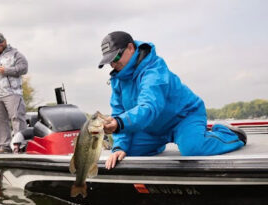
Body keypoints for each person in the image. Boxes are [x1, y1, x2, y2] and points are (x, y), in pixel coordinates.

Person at [98, 31, 247, 169]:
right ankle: (158, 144)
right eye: (109, 61)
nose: (113, 64)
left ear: (130, 48)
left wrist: (119, 123)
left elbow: (150, 106)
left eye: (116, 57)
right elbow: (119, 113)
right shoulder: (118, 79)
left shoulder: (154, 68)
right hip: (153, 128)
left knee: (193, 149)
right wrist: (119, 147)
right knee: (126, 152)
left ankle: (227, 133)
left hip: (183, 117)